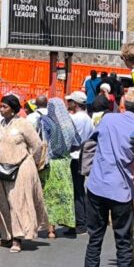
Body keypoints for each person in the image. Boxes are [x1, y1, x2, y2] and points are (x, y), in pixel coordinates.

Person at [82, 88, 134, 267]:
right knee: (123, 243)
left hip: (97, 187)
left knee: (95, 240)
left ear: (124, 103)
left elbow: (93, 140)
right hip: (121, 191)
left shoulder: (108, 119)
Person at [0, 95, 48, 252]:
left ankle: (18, 239)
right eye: (0, 106)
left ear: (13, 108)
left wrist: (33, 163)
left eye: (5, 107)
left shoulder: (24, 124)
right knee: (2, 202)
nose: (1, 109)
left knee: (18, 202)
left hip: (21, 168)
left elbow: (37, 145)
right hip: (2, 169)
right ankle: (7, 237)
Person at [37, 98, 77, 239]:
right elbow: (77, 141)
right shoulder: (68, 123)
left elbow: (41, 141)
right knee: (64, 195)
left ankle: (50, 229)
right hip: (65, 164)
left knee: (49, 196)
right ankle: (69, 224)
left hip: (51, 163)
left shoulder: (45, 121)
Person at [66, 91, 95, 235]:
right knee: (79, 189)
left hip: (73, 155)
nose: (68, 103)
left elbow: (69, 137)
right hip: (83, 155)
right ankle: (81, 221)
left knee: (75, 190)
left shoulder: (74, 118)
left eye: (70, 100)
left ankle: (79, 222)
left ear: (75, 104)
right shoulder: (88, 119)